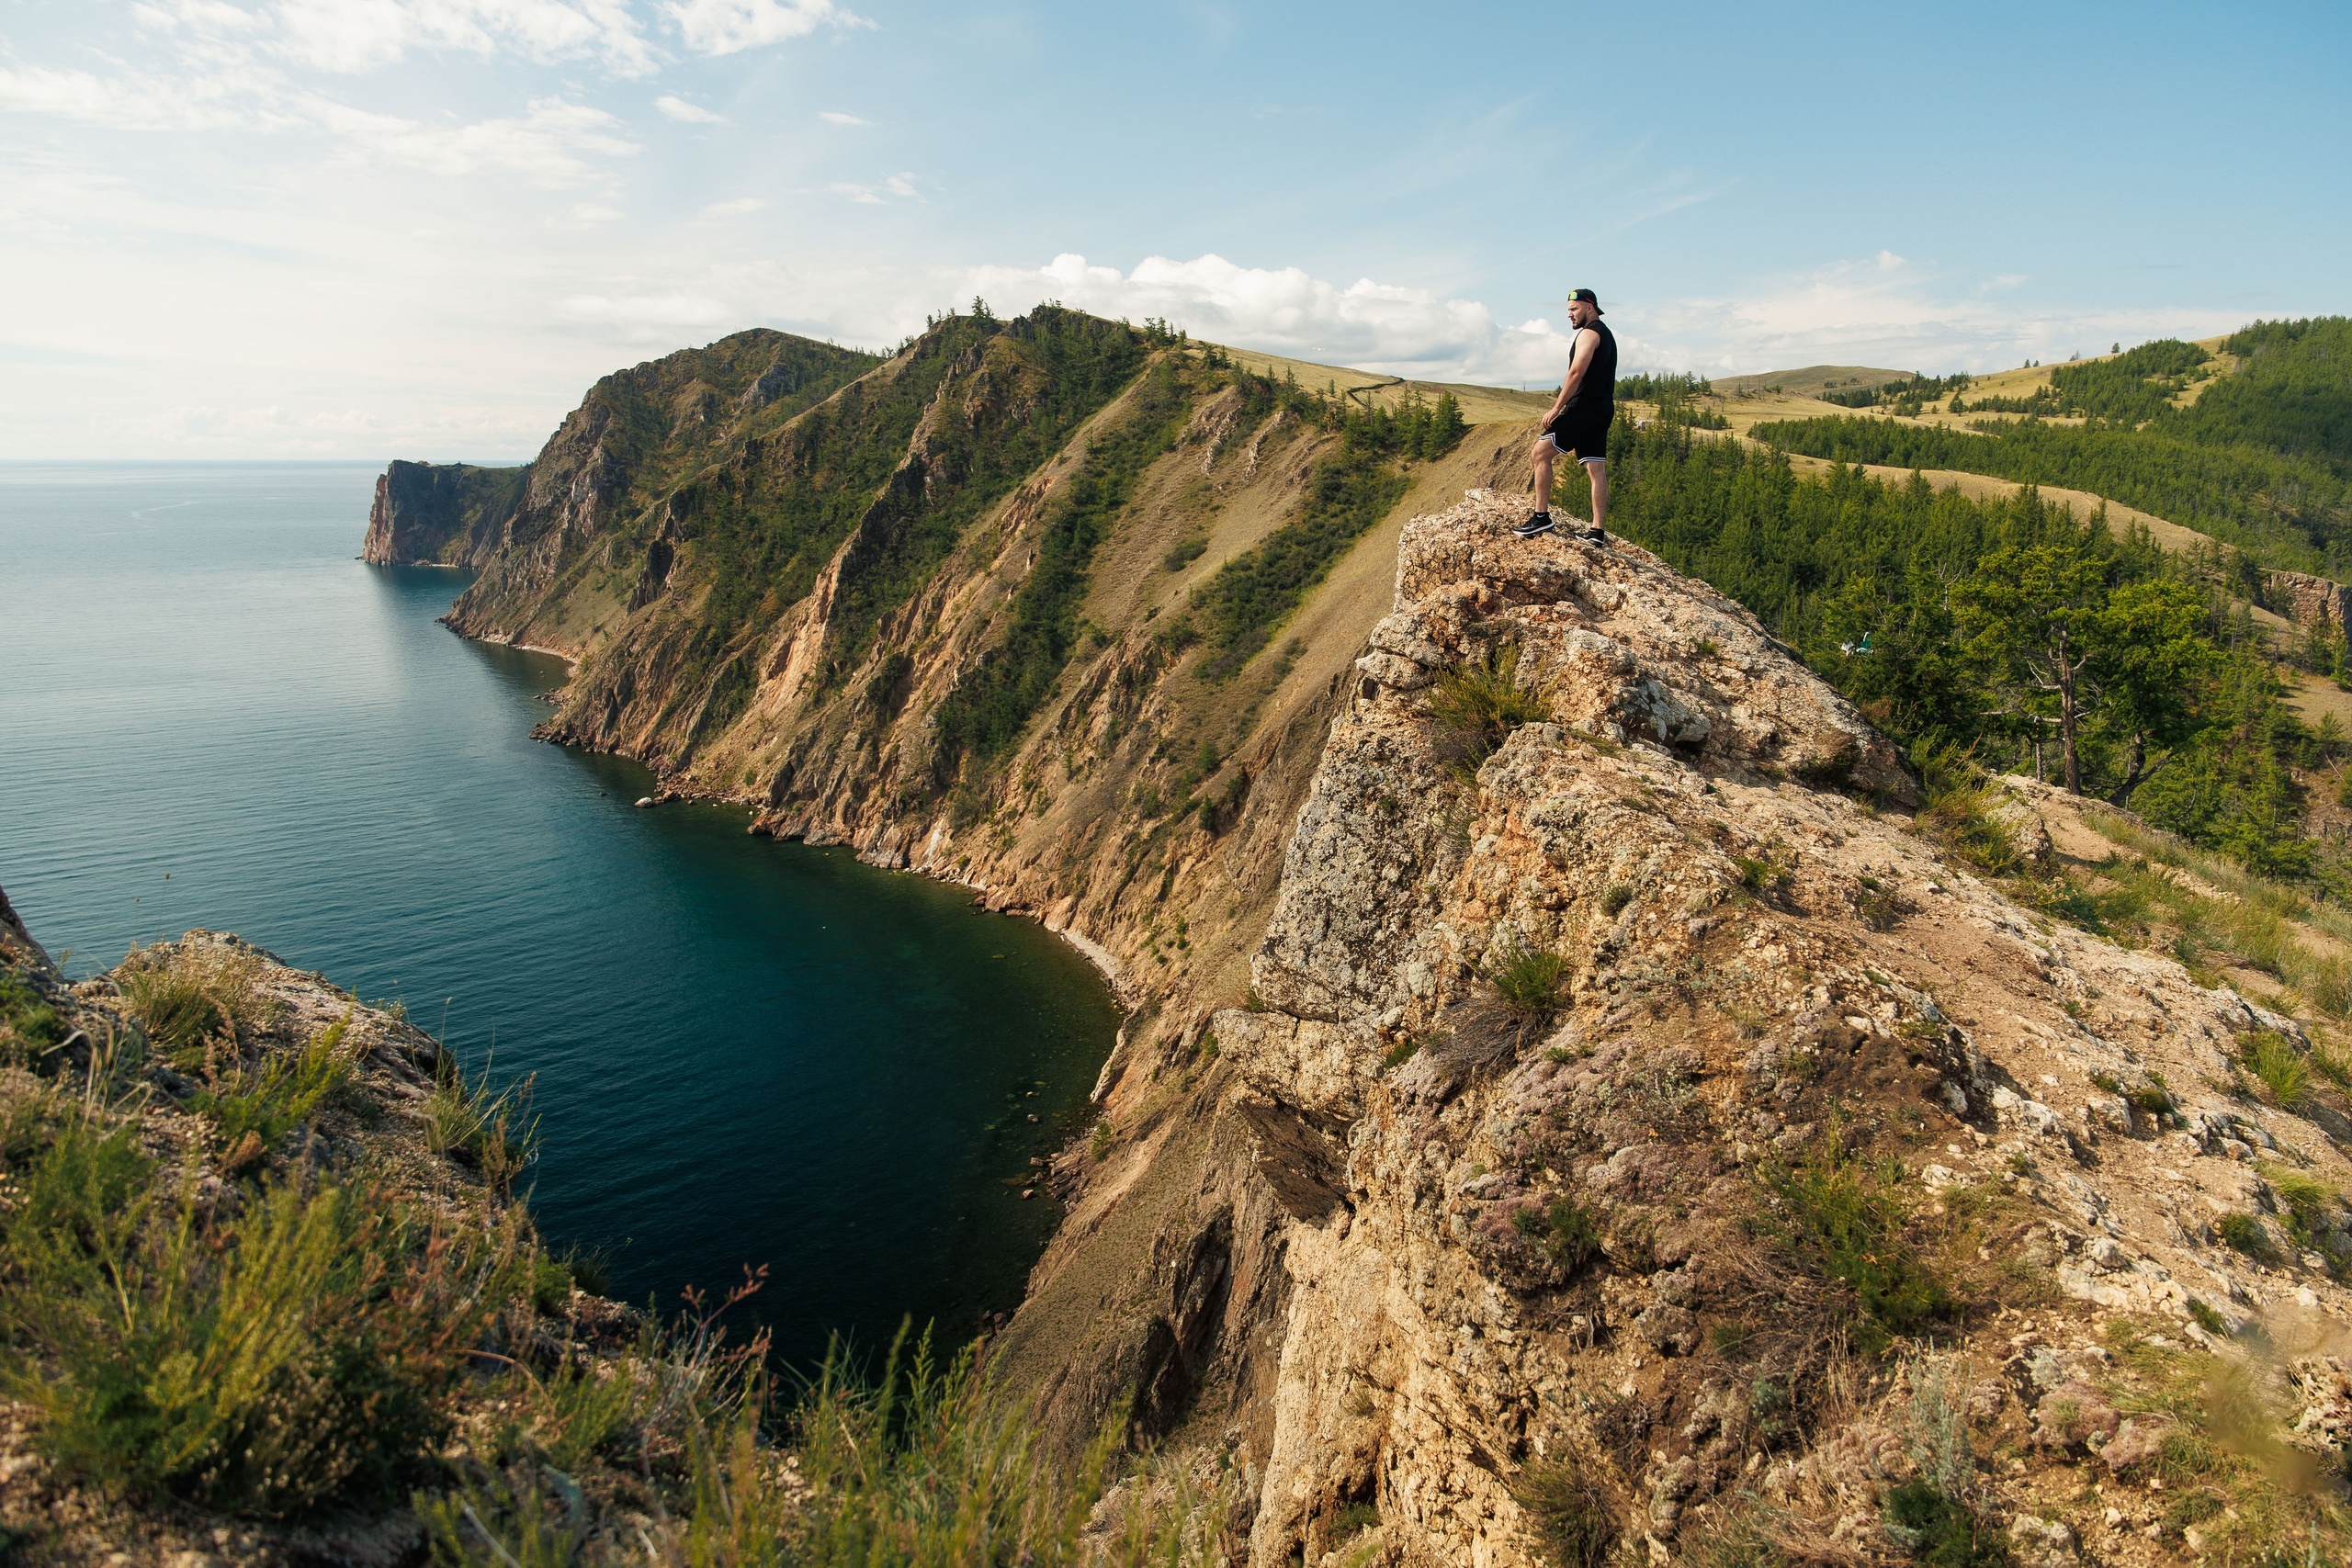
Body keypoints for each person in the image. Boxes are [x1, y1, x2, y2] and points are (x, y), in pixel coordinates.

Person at [1517, 288, 1617, 541]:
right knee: (1596, 468)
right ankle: (1597, 531)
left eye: (1574, 309)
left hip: (1583, 408)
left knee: (1539, 453)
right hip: (1603, 408)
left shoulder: (1589, 334)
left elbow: (1576, 373)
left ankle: (1541, 518)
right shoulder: (1607, 335)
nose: (1570, 315)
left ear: (1589, 307)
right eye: (1568, 310)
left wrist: (1557, 407)